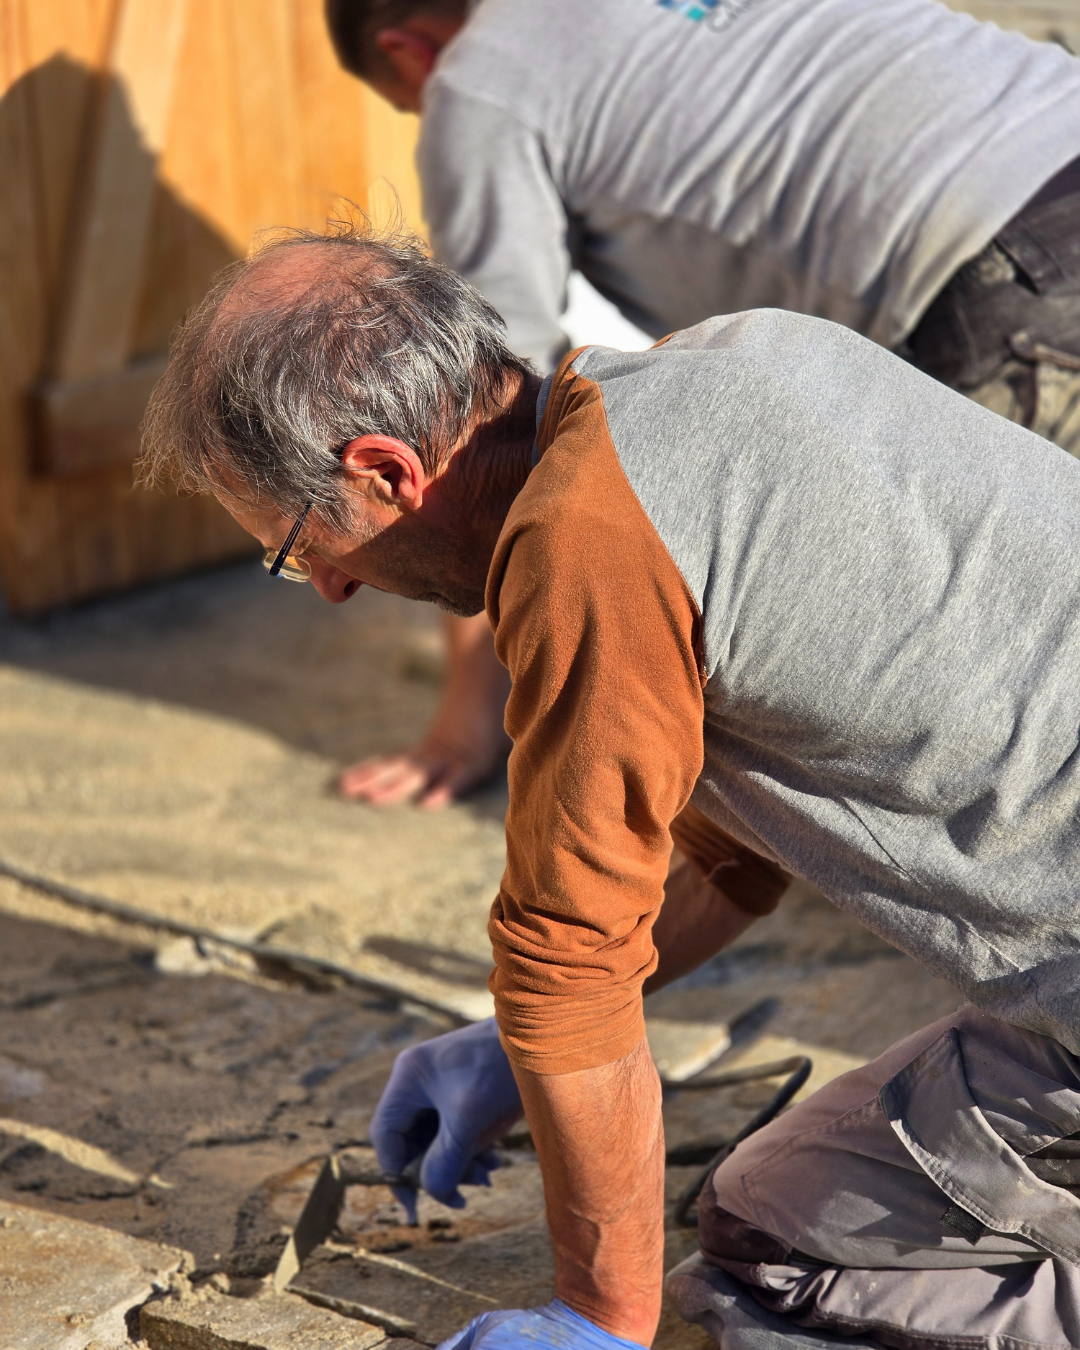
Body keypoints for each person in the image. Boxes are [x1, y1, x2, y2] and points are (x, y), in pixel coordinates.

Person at [141, 227, 1080, 1350]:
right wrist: (514, 1049)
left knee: (770, 1244)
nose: (333, 588)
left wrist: (602, 1317)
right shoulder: (731, 363)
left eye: (301, 546)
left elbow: (568, 963)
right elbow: (738, 842)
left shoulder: (586, 538)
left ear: (388, 471)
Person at [328, 0, 1080, 809]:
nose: (423, 112)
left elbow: (478, 425)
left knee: (1023, 678)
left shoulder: (477, 80)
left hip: (1017, 266)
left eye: (407, 100)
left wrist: (466, 724)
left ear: (406, 51)